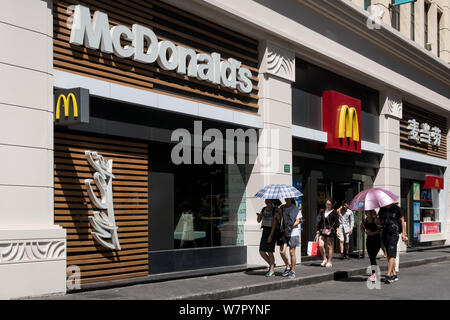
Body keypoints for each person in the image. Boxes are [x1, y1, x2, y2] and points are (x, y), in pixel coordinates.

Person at [269, 198, 302, 278]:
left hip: (293, 233)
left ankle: (293, 270)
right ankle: (288, 266)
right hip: (283, 232)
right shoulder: (282, 208)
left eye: (288, 198)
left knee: (292, 252)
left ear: (291, 198)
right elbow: (279, 219)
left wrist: (290, 228)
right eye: (285, 198)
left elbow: (298, 221)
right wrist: (277, 213)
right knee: (282, 252)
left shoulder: (296, 208)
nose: (286, 199)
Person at [378, 202, 408, 283]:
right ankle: (394, 274)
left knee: (391, 254)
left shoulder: (397, 208)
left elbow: (402, 221)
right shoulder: (382, 209)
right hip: (385, 234)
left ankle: (388, 275)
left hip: (394, 234)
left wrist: (404, 233)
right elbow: (380, 221)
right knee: (388, 255)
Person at [256, 199, 281, 277]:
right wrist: (259, 217)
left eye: (269, 202)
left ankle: (272, 270)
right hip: (265, 230)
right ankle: (272, 264)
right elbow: (258, 221)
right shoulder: (263, 209)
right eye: (266, 202)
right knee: (261, 251)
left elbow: (275, 223)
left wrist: (271, 235)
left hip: (271, 231)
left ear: (272, 202)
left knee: (270, 251)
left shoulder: (275, 210)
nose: (267, 203)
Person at [316, 199, 340, 267]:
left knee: (329, 246)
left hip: (330, 231)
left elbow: (337, 222)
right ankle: (324, 259)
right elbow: (320, 221)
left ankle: (329, 261)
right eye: (326, 204)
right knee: (320, 245)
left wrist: (337, 229)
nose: (327, 205)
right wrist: (318, 229)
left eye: (329, 204)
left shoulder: (334, 212)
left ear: (332, 205)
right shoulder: (323, 211)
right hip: (323, 230)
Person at [360, 209, 382, 282]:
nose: (367, 213)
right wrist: (364, 229)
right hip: (369, 240)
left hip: (377, 240)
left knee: (373, 257)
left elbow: (380, 229)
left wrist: (373, 233)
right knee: (371, 257)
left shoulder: (375, 220)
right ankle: (374, 274)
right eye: (366, 212)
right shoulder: (365, 221)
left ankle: (374, 274)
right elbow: (362, 229)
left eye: (368, 212)